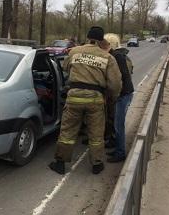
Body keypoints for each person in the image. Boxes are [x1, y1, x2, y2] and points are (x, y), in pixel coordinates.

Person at [48, 26, 122, 175]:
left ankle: (60, 163)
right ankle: (97, 164)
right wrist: (111, 97)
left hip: (74, 97)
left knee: (68, 131)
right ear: (101, 40)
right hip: (95, 99)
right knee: (96, 133)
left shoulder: (75, 51)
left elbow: (65, 67)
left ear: (88, 38)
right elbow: (115, 83)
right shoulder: (108, 57)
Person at [104, 33, 134, 163]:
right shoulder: (117, 56)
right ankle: (116, 146)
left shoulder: (117, 57)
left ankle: (120, 153)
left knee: (118, 125)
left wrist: (114, 94)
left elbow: (119, 79)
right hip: (123, 94)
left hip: (123, 95)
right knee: (116, 123)